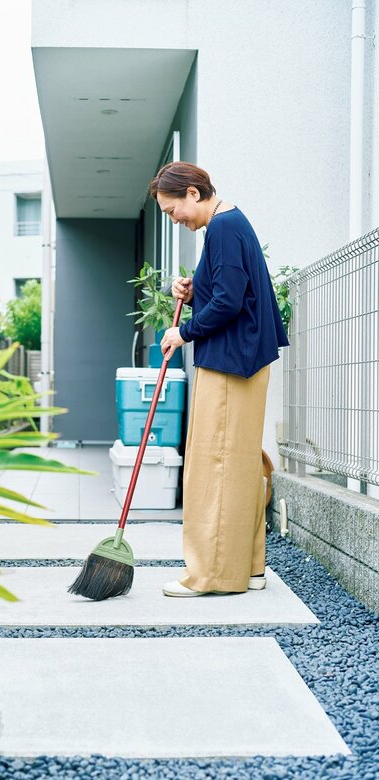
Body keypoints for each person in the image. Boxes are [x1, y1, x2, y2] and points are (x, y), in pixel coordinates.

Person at [149, 162, 289, 597]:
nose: (175, 220)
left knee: (215, 466)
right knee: (239, 465)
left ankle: (211, 575)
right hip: (243, 360)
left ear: (193, 193)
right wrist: (197, 291)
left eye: (173, 211)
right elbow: (232, 292)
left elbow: (229, 302)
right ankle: (248, 568)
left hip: (230, 364)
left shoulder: (223, 228)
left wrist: (183, 332)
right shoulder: (231, 223)